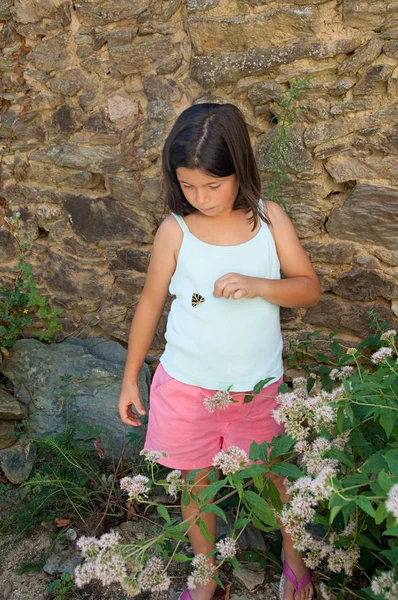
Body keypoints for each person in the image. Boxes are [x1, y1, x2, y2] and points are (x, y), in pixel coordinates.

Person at [118, 103, 320, 600]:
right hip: (186, 385)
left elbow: (308, 287)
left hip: (257, 387)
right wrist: (129, 378)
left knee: (275, 477)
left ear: (240, 170)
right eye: (188, 185)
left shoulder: (270, 221)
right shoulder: (175, 231)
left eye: (213, 185)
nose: (201, 197)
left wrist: (259, 285)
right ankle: (205, 572)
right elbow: (149, 305)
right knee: (196, 485)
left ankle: (294, 559)